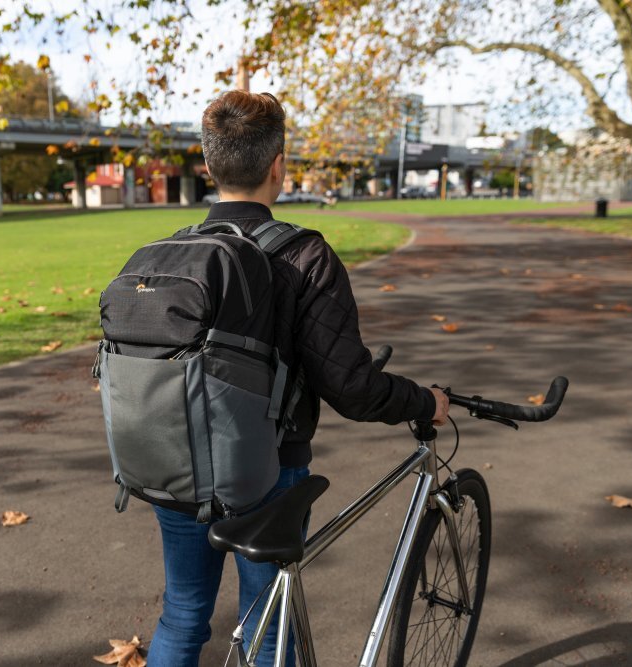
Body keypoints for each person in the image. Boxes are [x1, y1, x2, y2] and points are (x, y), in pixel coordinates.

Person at [145, 90, 449, 667]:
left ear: (208, 167)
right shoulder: (305, 256)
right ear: (279, 165)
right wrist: (423, 400)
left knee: (183, 613)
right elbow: (352, 387)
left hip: (170, 463)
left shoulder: (171, 251)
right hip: (264, 472)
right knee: (268, 622)